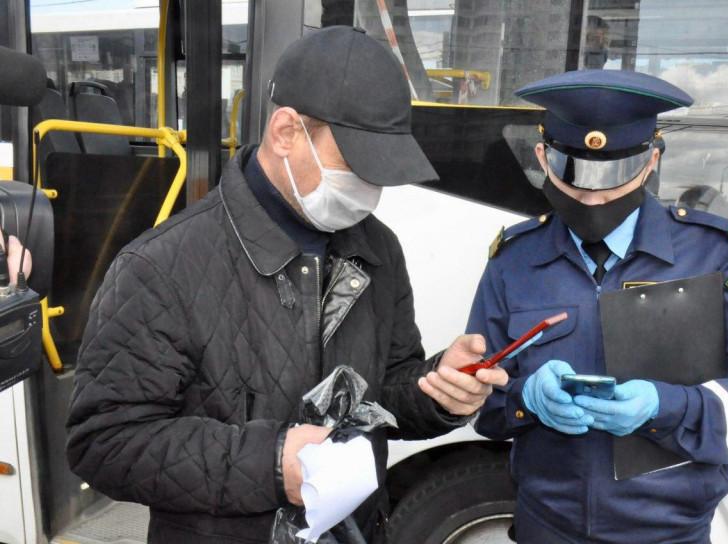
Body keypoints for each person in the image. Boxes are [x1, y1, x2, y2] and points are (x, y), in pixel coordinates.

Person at [66, 26, 506, 544]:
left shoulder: (377, 249)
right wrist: (272, 464)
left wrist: (437, 392)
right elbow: (105, 443)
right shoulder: (160, 267)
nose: (370, 190)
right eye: (356, 166)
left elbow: (385, 388)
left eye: (382, 173)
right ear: (286, 133)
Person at [467, 69, 728, 543]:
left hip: (669, 534)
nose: (593, 195)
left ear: (651, 162)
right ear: (543, 157)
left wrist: (665, 407)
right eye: (574, 174)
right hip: (546, 527)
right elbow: (483, 403)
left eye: (614, 174)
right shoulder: (514, 261)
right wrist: (528, 401)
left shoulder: (715, 255)